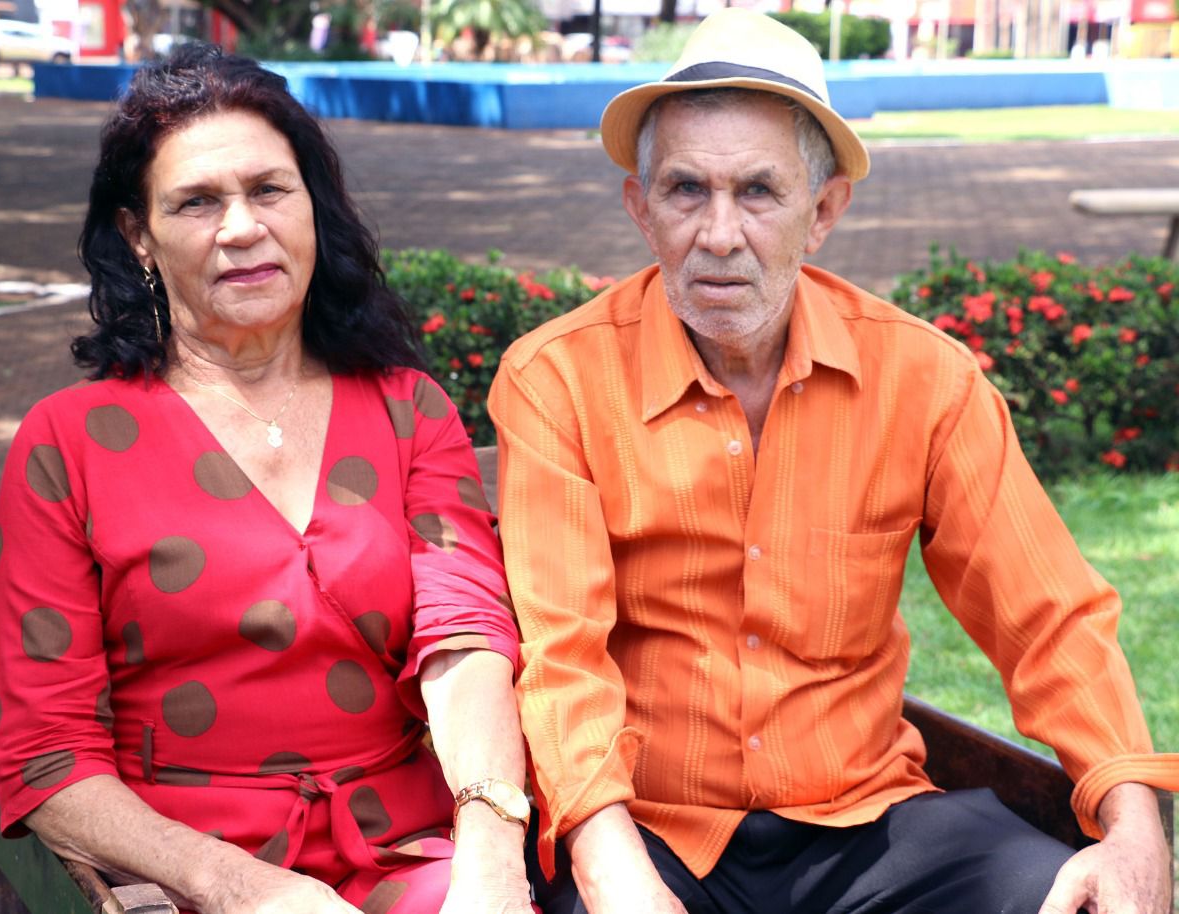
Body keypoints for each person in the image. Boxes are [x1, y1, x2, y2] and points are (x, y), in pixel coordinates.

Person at [488, 10, 1179, 914]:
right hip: (650, 828)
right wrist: (608, 864)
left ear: (822, 213)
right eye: (686, 189)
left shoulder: (924, 378)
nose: (719, 233)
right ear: (640, 208)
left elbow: (1047, 616)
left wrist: (1133, 825)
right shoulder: (557, 381)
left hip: (869, 823)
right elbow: (563, 655)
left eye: (759, 192)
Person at [0, 45, 534, 914]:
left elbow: (464, 644)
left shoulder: (408, 410)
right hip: (177, 875)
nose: (241, 227)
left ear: (313, 206)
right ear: (138, 236)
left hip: (406, 849)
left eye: (269, 190)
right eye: (197, 201)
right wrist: (238, 887)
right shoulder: (70, 443)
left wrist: (492, 863)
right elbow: (49, 755)